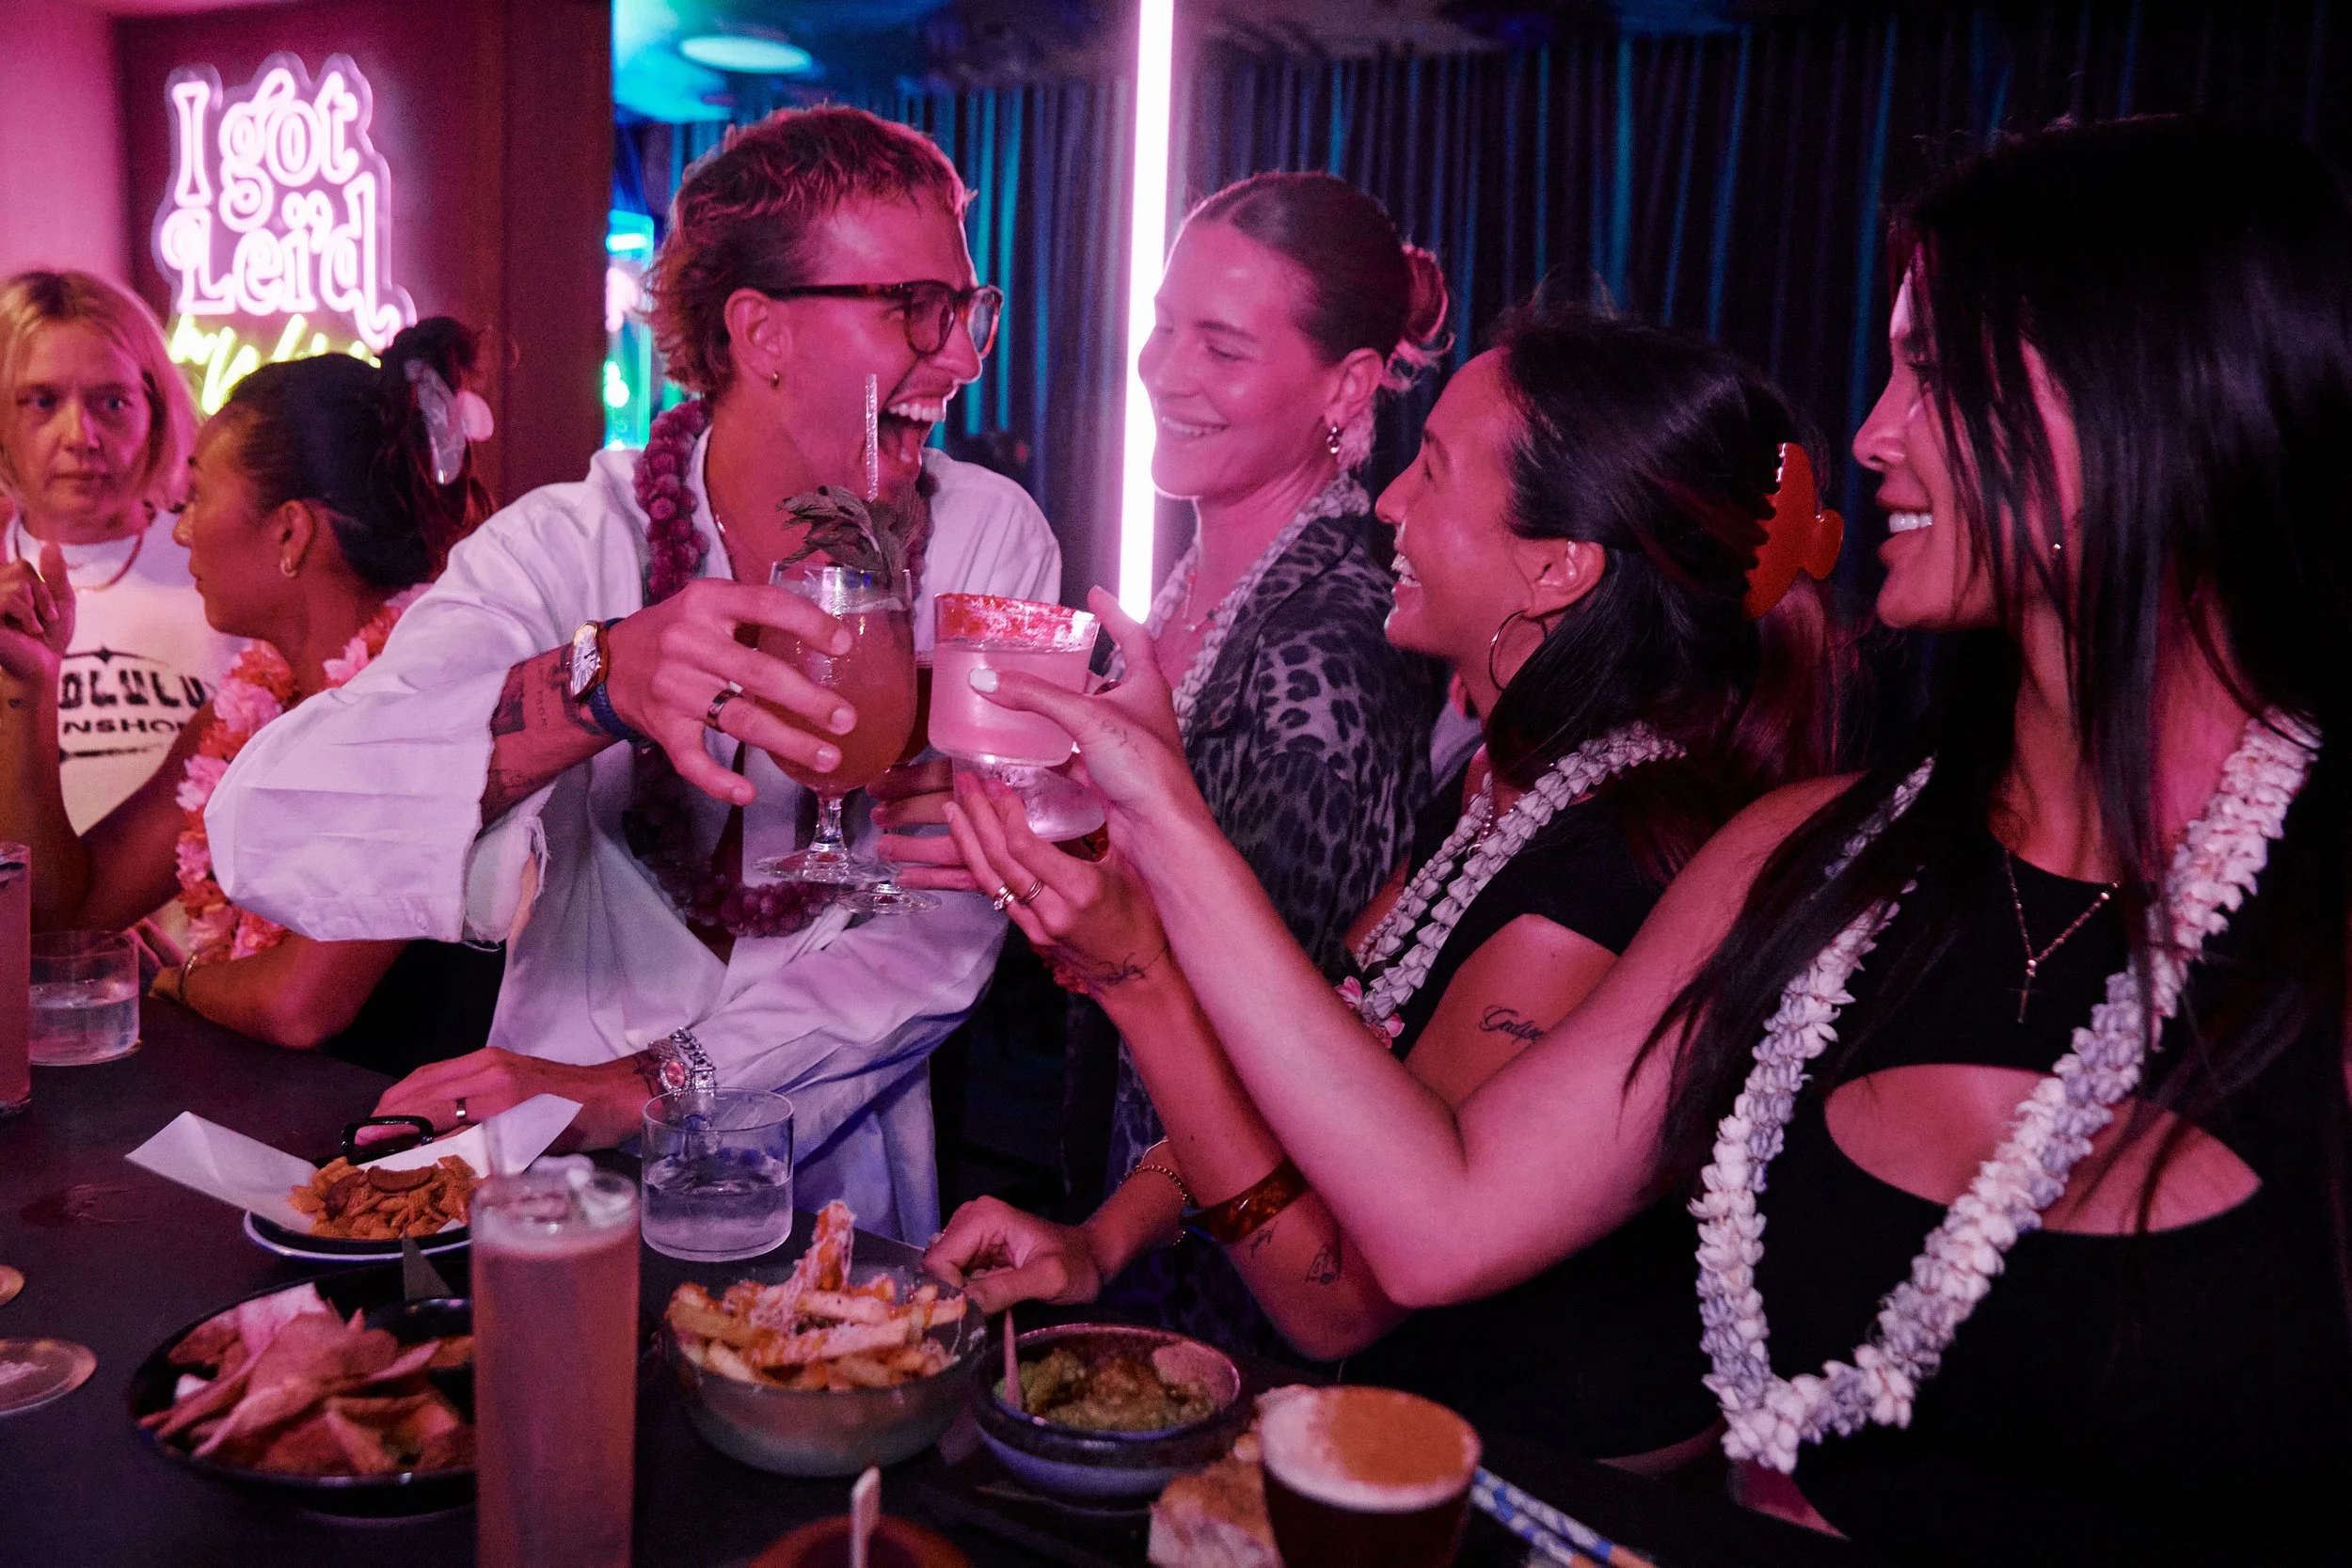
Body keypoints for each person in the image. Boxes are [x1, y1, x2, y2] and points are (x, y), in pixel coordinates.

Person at [916, 118, 2352, 1561]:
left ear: (2135, 401)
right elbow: (1435, 1218)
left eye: (1932, 366)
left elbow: (1346, 1279)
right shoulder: (1815, 859)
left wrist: (1153, 895)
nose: (1870, 433)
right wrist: (1156, 824)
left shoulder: (2317, 915)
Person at [929, 303, 1838, 1466]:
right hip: (1408, 1441)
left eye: (1436, 470)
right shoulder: (1507, 791)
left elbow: (1341, 1296)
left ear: (1556, 568)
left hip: (1531, 1491)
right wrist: (1101, 1242)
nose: (1391, 501)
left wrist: (1139, 966)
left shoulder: (1605, 873)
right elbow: (1331, 1081)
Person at [204, 105, 1059, 1242]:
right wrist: (594, 683)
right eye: (919, 309)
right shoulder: (561, 549)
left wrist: (649, 1084)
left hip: (834, 1188)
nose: (960, 356)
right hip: (554, 1193)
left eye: (966, 311)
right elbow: (266, 835)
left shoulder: (991, 544)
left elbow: (945, 930)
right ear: (762, 333)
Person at [1013, 171, 1445, 1354]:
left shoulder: (1333, 641)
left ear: (1348, 385)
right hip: (1138, 1199)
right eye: (1162, 324)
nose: (1164, 370)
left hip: (1242, 1271)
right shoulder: (1214, 578)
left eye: (1221, 343)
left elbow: (1291, 1029)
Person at [0, 320, 503, 1068]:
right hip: (277, 1138)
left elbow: (297, 1005)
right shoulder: (247, 709)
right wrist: (30, 688)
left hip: (416, 1162)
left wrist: (174, 981)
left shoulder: (425, 700)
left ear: (291, 533)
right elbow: (66, 912)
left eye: (199, 494)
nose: (181, 531)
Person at [0, 270, 238, 835]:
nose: (81, 435)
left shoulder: (224, 569)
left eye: (112, 401)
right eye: (42, 400)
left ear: (155, 414)